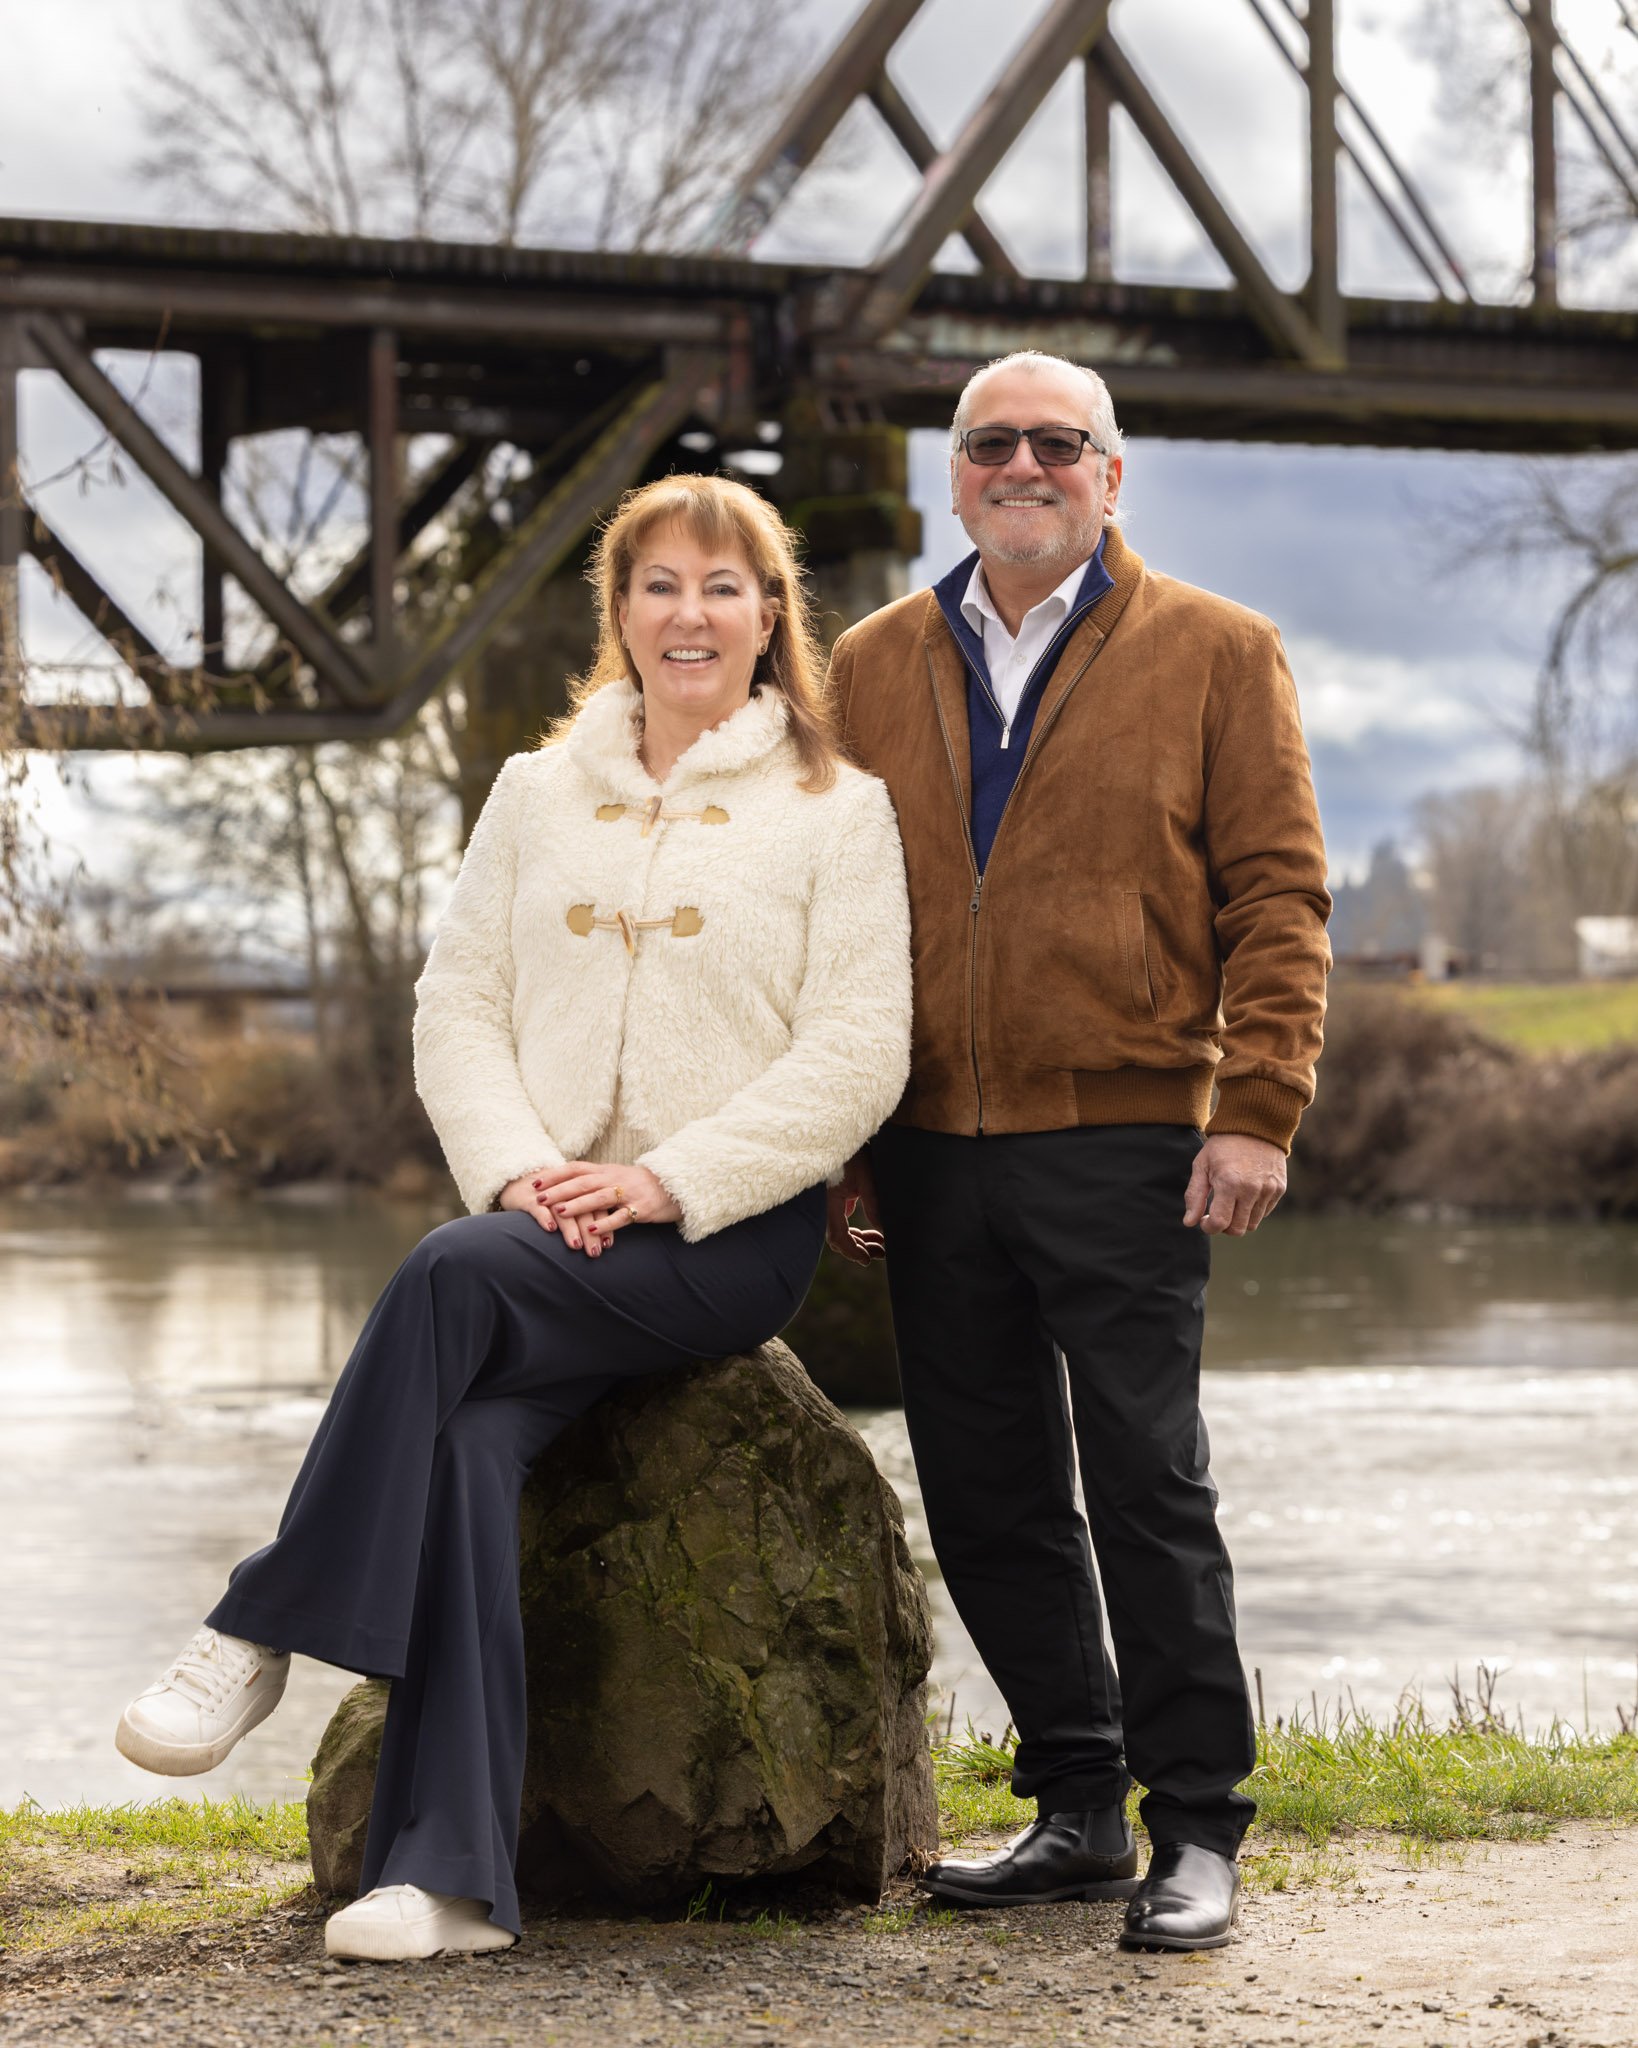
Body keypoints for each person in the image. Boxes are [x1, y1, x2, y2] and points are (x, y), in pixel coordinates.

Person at [114, 472, 913, 1963]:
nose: (689, 613)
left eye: (721, 586)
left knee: (440, 1275)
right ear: (616, 613)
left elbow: (858, 1052)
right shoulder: (534, 795)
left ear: (768, 616)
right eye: (658, 584)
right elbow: (458, 1005)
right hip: (537, 1220)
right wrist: (519, 1170)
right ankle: (451, 1878)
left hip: (720, 1236)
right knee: (471, 1446)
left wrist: (667, 1180)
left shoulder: (836, 811)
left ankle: (261, 1620)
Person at [825, 350, 1331, 1953]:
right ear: (950, 477)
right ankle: (1077, 1808)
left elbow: (1278, 898)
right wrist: (840, 1141)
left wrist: (1256, 1108)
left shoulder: (1216, 651)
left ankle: (1197, 1829)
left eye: (1059, 442)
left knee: (1144, 1486)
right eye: (992, 444)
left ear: (1113, 476)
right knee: (983, 1494)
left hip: (1122, 1136)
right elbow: (826, 922)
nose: (1023, 464)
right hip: (920, 1147)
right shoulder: (864, 663)